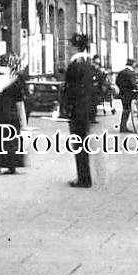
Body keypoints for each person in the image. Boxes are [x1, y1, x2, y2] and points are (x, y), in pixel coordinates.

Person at [60, 33, 98, 188]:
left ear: (75, 46)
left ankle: (83, 179)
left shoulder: (75, 64)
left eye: (70, 45)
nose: (68, 48)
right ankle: (85, 176)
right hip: (87, 109)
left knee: (79, 145)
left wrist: (65, 109)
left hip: (77, 110)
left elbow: (70, 90)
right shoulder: (88, 63)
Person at [0, 54, 28, 174]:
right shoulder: (15, 80)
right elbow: (20, 102)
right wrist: (24, 122)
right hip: (12, 114)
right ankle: (11, 166)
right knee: (11, 141)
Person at [115, 59, 138, 133]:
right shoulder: (130, 73)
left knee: (125, 109)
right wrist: (137, 88)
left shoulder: (121, 72)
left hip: (122, 93)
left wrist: (122, 88)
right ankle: (123, 127)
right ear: (133, 64)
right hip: (129, 94)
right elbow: (133, 84)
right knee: (127, 110)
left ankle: (123, 126)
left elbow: (117, 81)